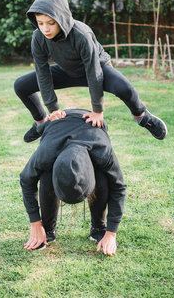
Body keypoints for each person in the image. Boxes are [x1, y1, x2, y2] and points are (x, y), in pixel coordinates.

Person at [14, 0, 167, 143]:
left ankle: (142, 116)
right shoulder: (38, 37)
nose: (45, 28)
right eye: (40, 23)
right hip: (67, 70)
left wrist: (97, 111)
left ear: (61, 18)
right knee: (21, 85)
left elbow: (94, 72)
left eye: (51, 23)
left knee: (124, 88)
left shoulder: (81, 34)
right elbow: (42, 73)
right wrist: (53, 109)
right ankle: (41, 122)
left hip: (97, 68)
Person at [20, 109, 127, 256]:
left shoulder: (103, 151)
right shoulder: (46, 153)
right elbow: (26, 180)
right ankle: (47, 229)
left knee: (104, 176)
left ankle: (98, 229)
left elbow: (118, 187)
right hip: (57, 125)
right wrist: (35, 223)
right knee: (45, 174)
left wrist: (111, 233)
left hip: (90, 122)